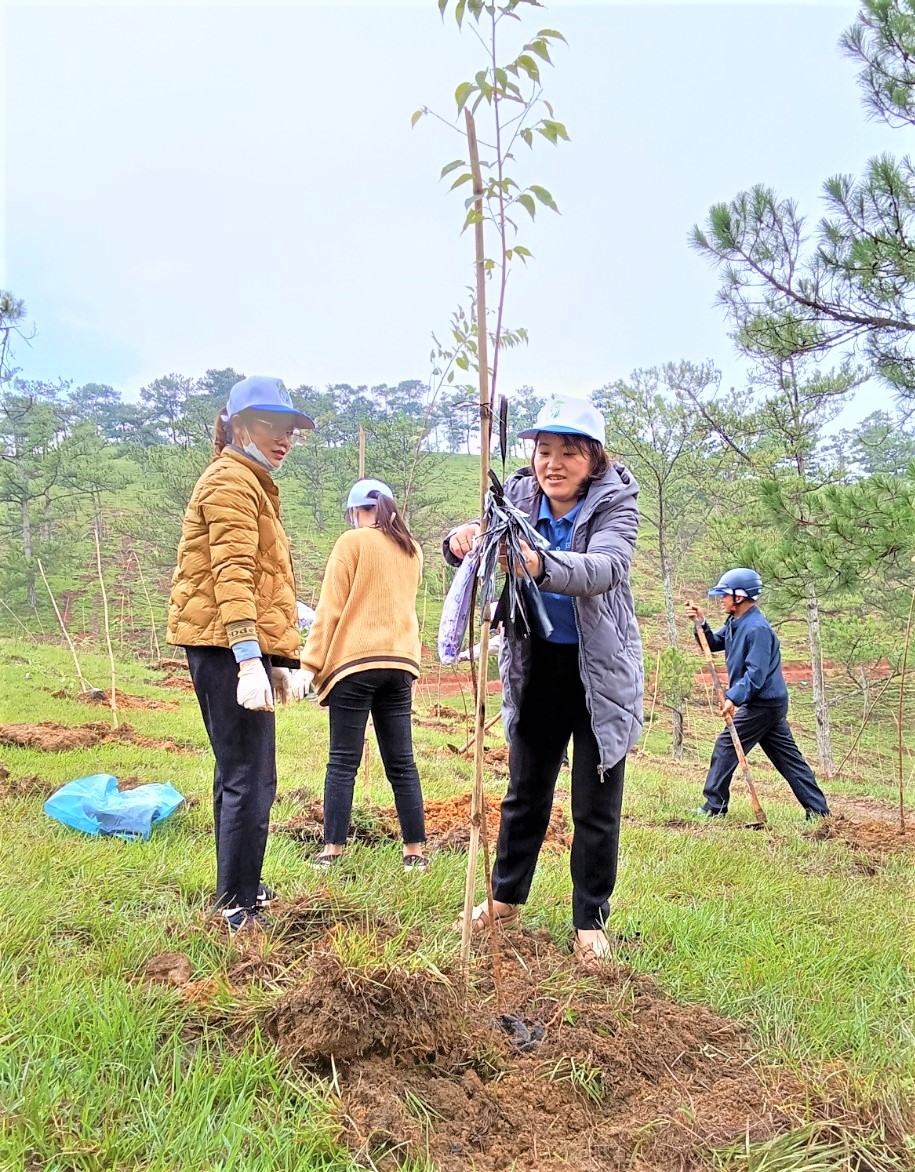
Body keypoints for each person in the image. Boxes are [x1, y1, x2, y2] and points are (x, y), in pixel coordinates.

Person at [445, 395, 643, 970]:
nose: (552, 464)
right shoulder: (515, 498)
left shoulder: (617, 504)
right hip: (536, 668)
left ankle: (589, 922)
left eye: (568, 453)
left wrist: (539, 563)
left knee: (595, 804)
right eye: (544, 451)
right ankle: (505, 899)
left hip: (598, 673)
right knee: (524, 794)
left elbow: (604, 569)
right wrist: (460, 542)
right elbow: (482, 552)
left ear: (594, 459)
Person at [167, 375, 314, 932]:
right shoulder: (230, 482)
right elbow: (232, 575)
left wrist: (292, 628)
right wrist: (250, 658)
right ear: (239, 426)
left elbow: (259, 577)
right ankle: (236, 906)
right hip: (224, 644)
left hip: (228, 640)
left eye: (290, 431)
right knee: (250, 776)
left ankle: (240, 884)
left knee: (242, 770)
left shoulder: (250, 483)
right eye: (273, 427)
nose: (284, 440)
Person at [301, 478, 428, 871]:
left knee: (342, 761)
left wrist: (309, 665)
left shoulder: (351, 543)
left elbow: (330, 609)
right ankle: (415, 853)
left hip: (355, 664)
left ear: (357, 511)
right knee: (402, 763)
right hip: (399, 663)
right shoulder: (412, 548)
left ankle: (333, 851)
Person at [685, 568, 830, 820]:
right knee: (788, 759)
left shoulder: (757, 629)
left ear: (739, 597)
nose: (721, 599)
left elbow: (756, 674)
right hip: (765, 703)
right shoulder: (736, 622)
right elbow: (714, 643)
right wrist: (701, 623)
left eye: (725, 595)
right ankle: (818, 812)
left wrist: (732, 697)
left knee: (726, 744)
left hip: (763, 704)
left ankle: (714, 806)